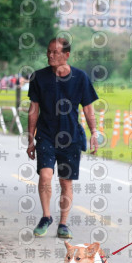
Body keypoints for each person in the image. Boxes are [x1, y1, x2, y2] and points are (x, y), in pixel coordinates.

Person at [27, 38, 99, 239]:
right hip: (46, 135)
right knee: (45, 175)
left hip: (71, 137)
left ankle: (63, 224)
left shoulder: (80, 77)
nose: (50, 55)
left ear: (66, 55)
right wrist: (30, 138)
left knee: (66, 182)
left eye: (55, 52)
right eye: (49, 51)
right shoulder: (39, 77)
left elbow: (88, 108)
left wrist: (94, 132)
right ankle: (46, 216)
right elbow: (33, 110)